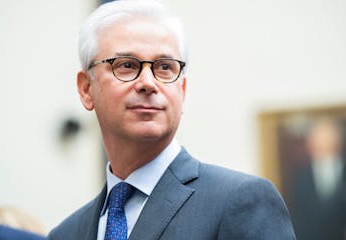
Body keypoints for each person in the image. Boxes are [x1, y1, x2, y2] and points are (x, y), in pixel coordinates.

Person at [47, 0, 296, 239]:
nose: (148, 82)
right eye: (126, 65)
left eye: (165, 67)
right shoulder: (65, 234)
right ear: (86, 89)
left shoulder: (239, 202)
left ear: (182, 90)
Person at [289, 118, 346, 240]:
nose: (323, 145)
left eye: (328, 140)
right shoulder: (301, 178)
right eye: (318, 141)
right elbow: (299, 219)